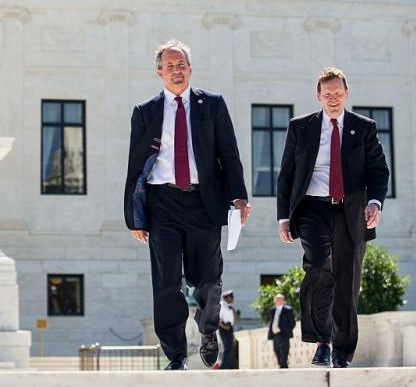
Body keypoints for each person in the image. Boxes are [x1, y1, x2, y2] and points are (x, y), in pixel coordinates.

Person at [124, 40, 251, 370]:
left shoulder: (212, 105)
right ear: (159, 73)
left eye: (181, 65)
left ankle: (209, 329)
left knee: (208, 277)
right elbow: (135, 166)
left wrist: (239, 197)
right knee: (166, 281)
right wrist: (134, 216)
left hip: (203, 200)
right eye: (170, 67)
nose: (176, 71)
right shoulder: (145, 112)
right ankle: (176, 354)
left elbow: (229, 155)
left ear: (190, 69)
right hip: (161, 202)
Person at [276, 67, 389, 368]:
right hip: (312, 208)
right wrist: (283, 218)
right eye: (328, 94)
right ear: (318, 96)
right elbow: (286, 176)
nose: (333, 98)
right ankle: (322, 342)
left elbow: (379, 171)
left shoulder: (364, 128)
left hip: (351, 211)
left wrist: (375, 202)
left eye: (338, 93)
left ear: (346, 93)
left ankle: (342, 350)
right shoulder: (301, 127)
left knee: (346, 279)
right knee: (318, 268)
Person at [267, 293, 295, 368]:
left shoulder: (288, 310)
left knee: (284, 352)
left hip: (284, 334)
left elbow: (292, 323)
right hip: (275, 334)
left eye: (280, 299)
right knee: (276, 351)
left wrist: (287, 331)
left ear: (283, 301)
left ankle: (284, 368)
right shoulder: (272, 310)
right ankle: (282, 366)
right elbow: (272, 322)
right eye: (277, 299)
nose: (278, 301)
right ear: (274, 301)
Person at [217, 290, 237, 369]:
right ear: (227, 297)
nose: (232, 298)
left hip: (230, 328)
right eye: (231, 297)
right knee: (227, 347)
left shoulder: (230, 307)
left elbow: (234, 319)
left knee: (231, 348)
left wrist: (233, 310)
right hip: (224, 328)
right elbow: (217, 319)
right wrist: (224, 326)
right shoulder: (221, 306)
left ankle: (229, 366)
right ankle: (223, 367)